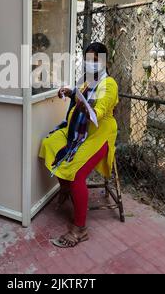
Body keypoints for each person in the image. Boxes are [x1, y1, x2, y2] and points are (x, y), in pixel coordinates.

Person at [39, 42, 119, 248]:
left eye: (95, 60)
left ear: (104, 61)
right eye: (88, 60)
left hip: (98, 134)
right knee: (49, 144)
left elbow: (99, 112)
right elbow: (81, 95)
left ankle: (80, 229)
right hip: (78, 131)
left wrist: (86, 108)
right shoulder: (89, 81)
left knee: (75, 172)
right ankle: (65, 187)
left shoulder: (109, 84)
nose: (91, 64)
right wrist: (70, 92)